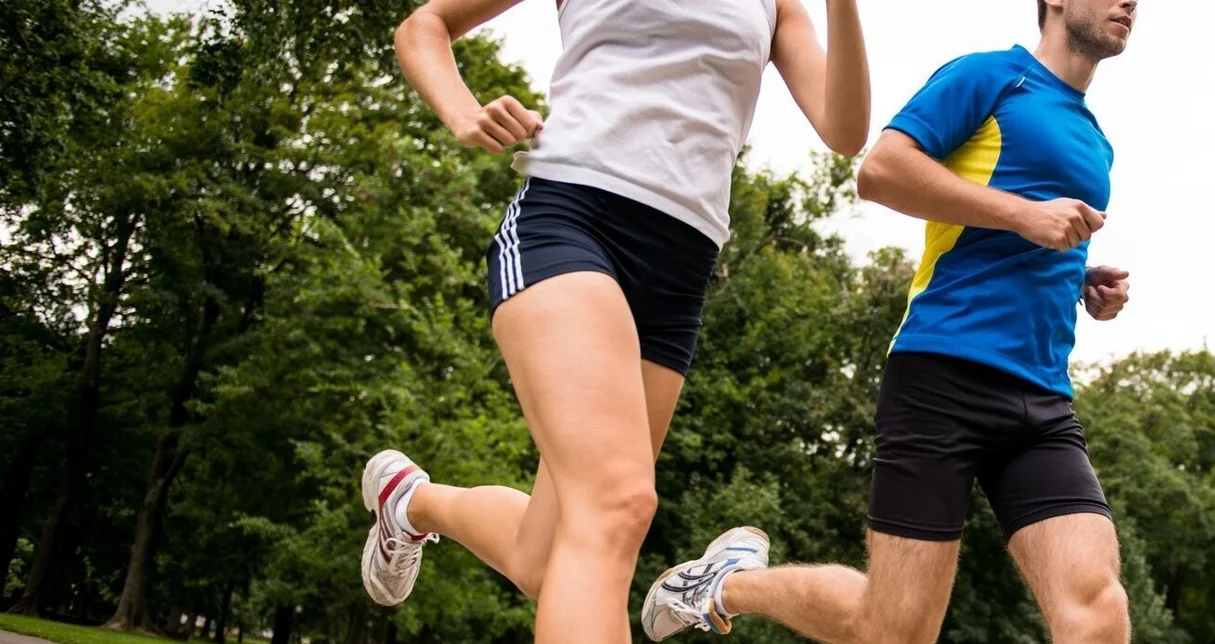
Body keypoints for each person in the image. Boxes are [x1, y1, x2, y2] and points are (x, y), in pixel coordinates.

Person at [357, 0, 870, 641]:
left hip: (678, 275)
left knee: (545, 560)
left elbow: (845, 130)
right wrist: (462, 113)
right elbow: (423, 26)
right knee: (616, 508)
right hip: (572, 223)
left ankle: (408, 502)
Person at [639, 0, 1139, 642]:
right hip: (943, 375)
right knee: (894, 628)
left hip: (1042, 399)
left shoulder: (1097, 139)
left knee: (1097, 612)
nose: (1130, 2)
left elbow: (1030, 240)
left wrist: (1081, 281)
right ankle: (724, 584)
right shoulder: (990, 77)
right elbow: (880, 172)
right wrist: (1022, 215)